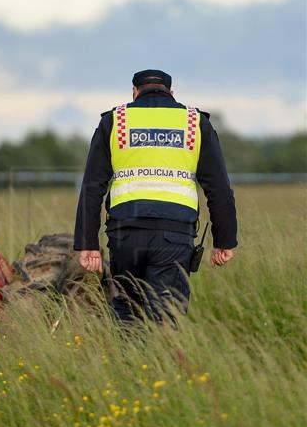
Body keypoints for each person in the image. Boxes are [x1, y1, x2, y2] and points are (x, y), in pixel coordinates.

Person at [73, 69, 237, 323]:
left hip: (125, 234)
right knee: (165, 317)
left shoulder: (116, 120)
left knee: (128, 314)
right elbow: (218, 188)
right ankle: (159, 360)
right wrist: (224, 240)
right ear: (171, 93)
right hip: (174, 235)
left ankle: (129, 361)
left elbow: (92, 187)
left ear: (135, 92)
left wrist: (88, 244)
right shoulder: (194, 122)